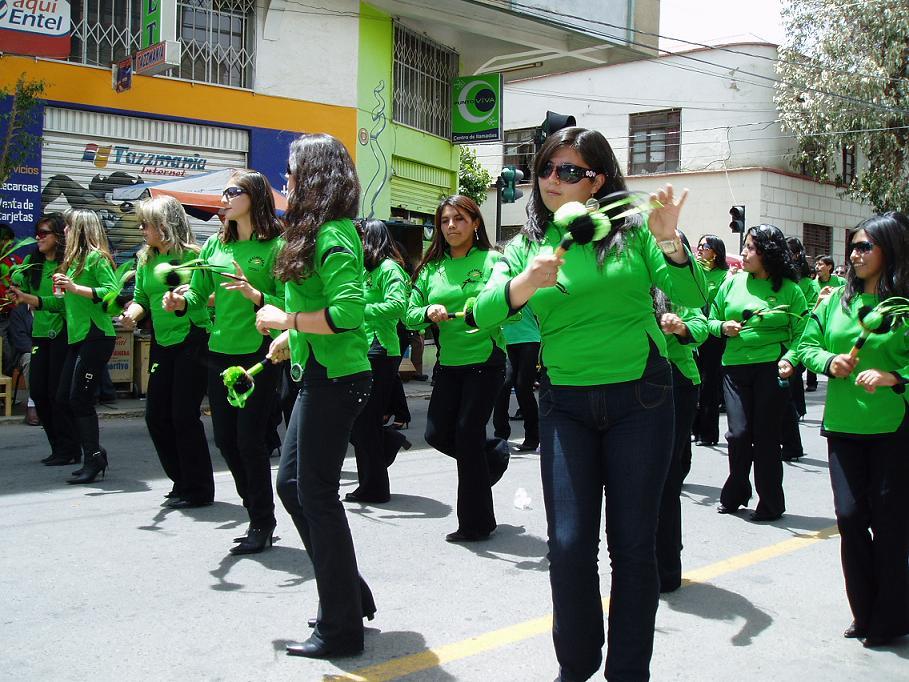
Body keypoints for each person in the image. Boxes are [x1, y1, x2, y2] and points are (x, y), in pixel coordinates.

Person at [473, 126, 706, 681]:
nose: (554, 180)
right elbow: (482, 314)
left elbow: (697, 298)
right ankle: (575, 665)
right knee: (570, 544)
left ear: (599, 181)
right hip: (565, 406)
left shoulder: (636, 232)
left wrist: (672, 241)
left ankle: (628, 672)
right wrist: (522, 285)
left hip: (642, 401)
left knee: (632, 547)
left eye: (570, 171)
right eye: (548, 169)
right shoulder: (525, 243)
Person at [254, 133, 375, 658]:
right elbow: (320, 307)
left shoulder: (333, 235)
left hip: (340, 378)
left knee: (314, 492)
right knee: (292, 485)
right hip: (318, 373)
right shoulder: (310, 233)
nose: (287, 179)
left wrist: (287, 320)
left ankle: (342, 626)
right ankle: (348, 595)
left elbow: (349, 313)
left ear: (316, 175)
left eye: (293, 170)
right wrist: (291, 337)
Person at [798, 212, 909, 648]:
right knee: (849, 518)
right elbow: (805, 345)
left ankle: (891, 616)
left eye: (865, 247)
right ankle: (863, 611)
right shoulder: (832, 302)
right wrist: (829, 362)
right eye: (853, 246)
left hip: (893, 429)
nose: (855, 254)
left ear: (891, 250)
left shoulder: (902, 307)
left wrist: (894, 377)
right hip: (842, 427)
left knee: (890, 525)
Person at [163, 169, 283, 554]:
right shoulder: (215, 246)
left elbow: (292, 305)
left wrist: (256, 295)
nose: (225, 198)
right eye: (225, 192)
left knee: (249, 441)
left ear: (254, 197)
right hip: (219, 353)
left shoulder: (277, 247)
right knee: (225, 440)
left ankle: (262, 522)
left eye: (233, 191)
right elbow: (198, 296)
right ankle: (256, 513)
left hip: (259, 354)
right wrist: (180, 302)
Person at [405, 195, 511, 543]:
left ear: (476, 223)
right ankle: (492, 456)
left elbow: (501, 299)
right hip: (449, 365)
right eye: (445, 220)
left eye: (460, 219)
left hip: (485, 362)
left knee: (467, 437)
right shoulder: (431, 268)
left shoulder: (494, 260)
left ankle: (476, 524)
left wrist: (478, 307)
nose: (451, 226)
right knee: (436, 434)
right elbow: (408, 311)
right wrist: (426, 312)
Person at [118, 196, 214, 508]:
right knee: (156, 417)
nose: (142, 229)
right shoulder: (144, 260)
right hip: (162, 341)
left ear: (166, 225)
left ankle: (198, 489)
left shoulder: (194, 257)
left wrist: (187, 298)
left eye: (147, 223)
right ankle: (181, 480)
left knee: (183, 416)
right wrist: (131, 314)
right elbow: (140, 298)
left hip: (193, 338)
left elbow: (211, 295)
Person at [709, 224, 807, 522]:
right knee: (738, 434)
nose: (744, 253)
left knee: (766, 437)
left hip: (771, 368)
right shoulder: (731, 283)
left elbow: (804, 333)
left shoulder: (791, 290)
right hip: (735, 368)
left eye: (751, 247)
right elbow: (711, 319)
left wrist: (791, 359)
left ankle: (771, 502)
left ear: (768, 252)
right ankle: (737, 492)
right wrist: (722, 327)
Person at [346, 219, 411, 503]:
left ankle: (373, 487)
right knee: (359, 421)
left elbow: (398, 306)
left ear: (371, 239)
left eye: (361, 238)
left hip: (381, 349)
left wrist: (360, 311)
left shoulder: (389, 269)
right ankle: (387, 448)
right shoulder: (363, 270)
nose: (358, 244)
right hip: (361, 349)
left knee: (365, 421)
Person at [52, 209, 118, 484]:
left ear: (78, 229)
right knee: (63, 398)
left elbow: (112, 291)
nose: (64, 232)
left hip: (96, 336)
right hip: (79, 337)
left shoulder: (96, 258)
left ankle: (92, 457)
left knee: (80, 398)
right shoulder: (72, 262)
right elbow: (61, 302)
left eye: (67, 227)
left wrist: (75, 287)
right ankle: (93, 453)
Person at [653, 275, 708, 593]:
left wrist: (680, 327)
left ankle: (667, 566)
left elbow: (700, 325)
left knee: (667, 476)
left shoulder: (676, 286)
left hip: (676, 381)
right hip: (630, 379)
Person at [9, 214, 79, 463]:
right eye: (37, 233)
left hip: (62, 334)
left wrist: (33, 300)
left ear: (59, 236)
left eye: (44, 233)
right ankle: (58, 446)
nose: (39, 237)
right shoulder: (32, 263)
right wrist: (16, 281)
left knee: (57, 395)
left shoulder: (66, 267)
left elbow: (63, 305)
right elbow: (20, 289)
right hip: (39, 335)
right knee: (38, 393)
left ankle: (70, 448)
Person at [779, 236, 818, 460]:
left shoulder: (803, 285)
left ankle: (793, 445)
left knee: (787, 396)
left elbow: (808, 315)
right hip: (773, 348)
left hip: (794, 343)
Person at [691, 234, 730, 446]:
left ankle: (707, 432)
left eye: (704, 246)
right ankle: (693, 427)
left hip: (713, 335)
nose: (699, 249)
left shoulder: (726, 276)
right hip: (694, 329)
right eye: (698, 246)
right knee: (694, 380)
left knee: (708, 383)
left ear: (715, 251)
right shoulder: (696, 271)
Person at [492, 304, 541, 452]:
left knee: (523, 388)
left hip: (529, 340)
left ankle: (533, 437)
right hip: (505, 342)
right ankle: (500, 436)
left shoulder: (529, 283)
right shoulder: (499, 282)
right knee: (503, 385)